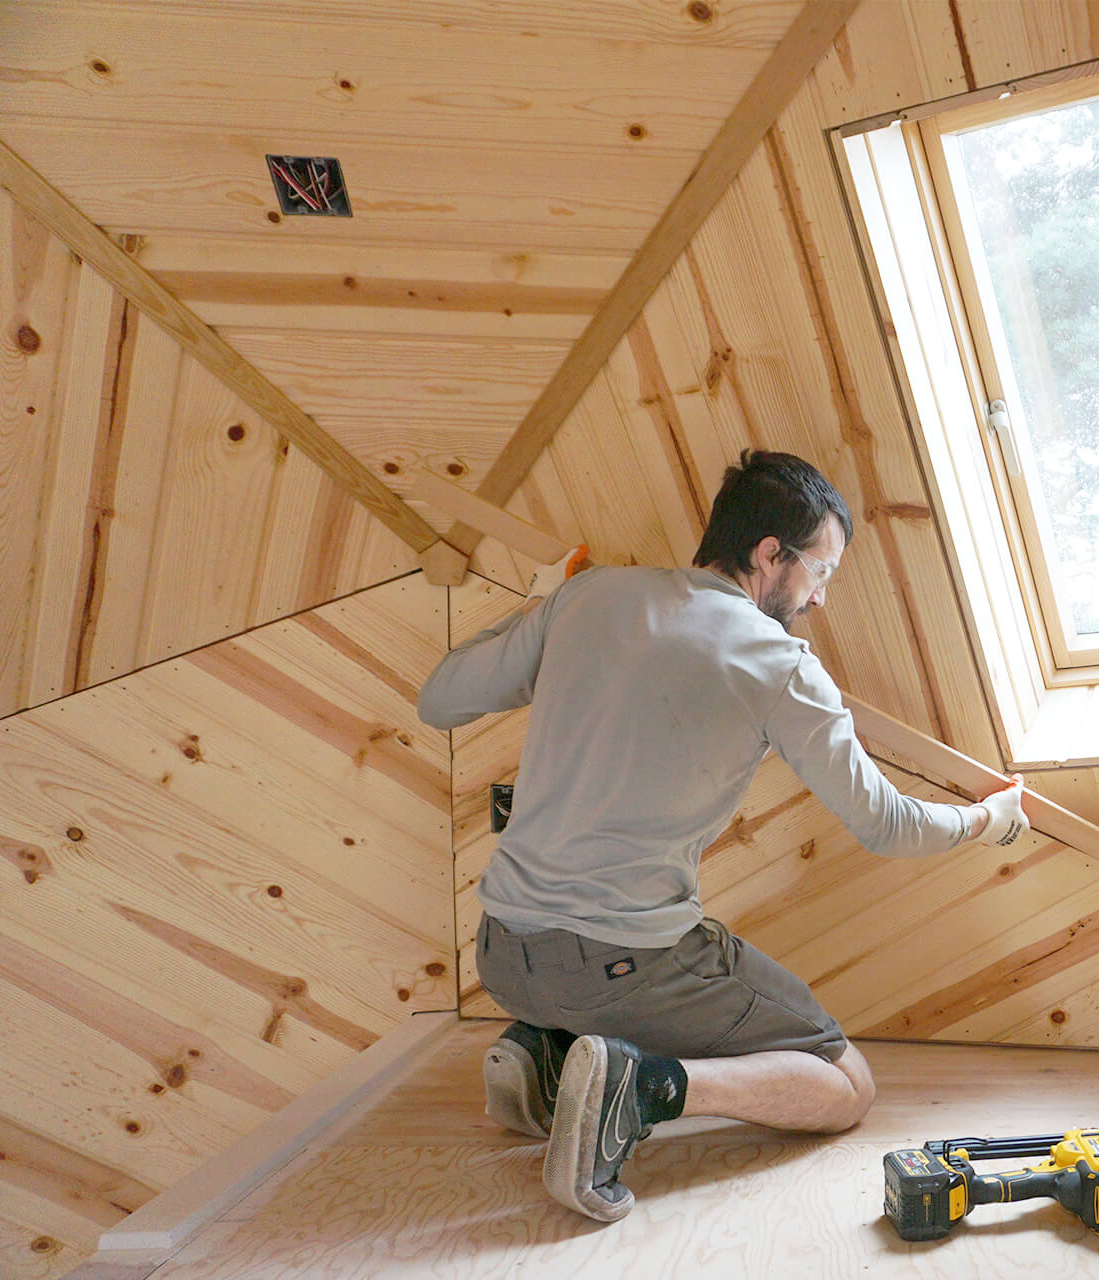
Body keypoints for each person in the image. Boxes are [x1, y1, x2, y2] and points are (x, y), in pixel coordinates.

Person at [417, 450, 1028, 1222]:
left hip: (502, 950)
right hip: (622, 965)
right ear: (771, 554)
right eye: (821, 571)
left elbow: (439, 700)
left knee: (595, 975)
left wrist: (545, 603)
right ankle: (636, 1085)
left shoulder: (588, 597)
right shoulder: (779, 663)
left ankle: (548, 1054)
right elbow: (887, 824)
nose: (822, 597)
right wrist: (986, 819)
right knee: (846, 1084)